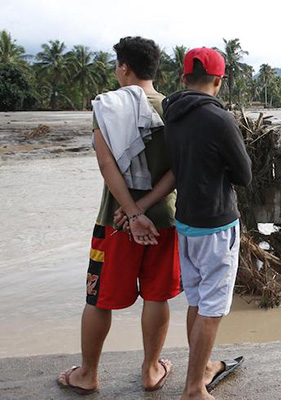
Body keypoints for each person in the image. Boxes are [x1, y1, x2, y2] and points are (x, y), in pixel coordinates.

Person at [57, 36, 180, 395]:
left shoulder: (107, 106)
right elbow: (177, 170)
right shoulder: (173, 108)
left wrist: (129, 211)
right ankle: (151, 370)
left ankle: (88, 374)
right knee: (157, 296)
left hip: (116, 222)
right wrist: (144, 209)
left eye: (116, 65)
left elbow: (106, 164)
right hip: (164, 220)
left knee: (99, 298)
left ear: (124, 67)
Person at [162, 47, 251, 399]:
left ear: (184, 78)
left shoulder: (172, 113)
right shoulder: (219, 119)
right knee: (212, 311)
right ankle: (194, 389)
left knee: (198, 303)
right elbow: (243, 174)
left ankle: (204, 367)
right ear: (218, 81)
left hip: (184, 222)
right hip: (216, 225)